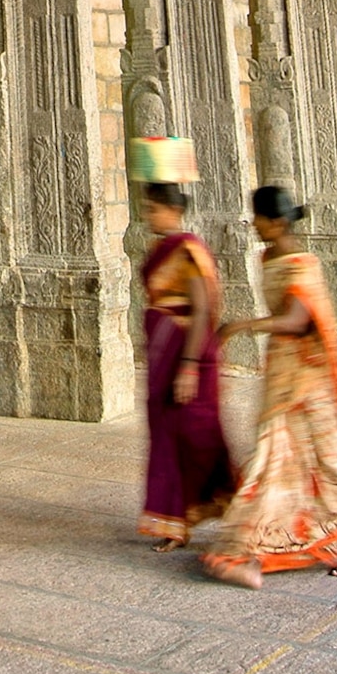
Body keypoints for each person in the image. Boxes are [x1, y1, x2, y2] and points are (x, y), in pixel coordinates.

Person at [199, 186, 337, 585]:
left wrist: (242, 325)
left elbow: (296, 319)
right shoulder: (269, 255)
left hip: (309, 372)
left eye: (257, 217)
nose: (252, 224)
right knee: (277, 455)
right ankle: (263, 539)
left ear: (275, 221)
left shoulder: (301, 263)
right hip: (282, 368)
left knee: (326, 456)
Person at [136, 178, 234, 546]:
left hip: (187, 353)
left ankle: (221, 500)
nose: (149, 216)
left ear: (174, 211)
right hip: (164, 353)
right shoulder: (162, 247)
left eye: (154, 209)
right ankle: (176, 519)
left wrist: (189, 365)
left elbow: (203, 308)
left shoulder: (189, 249)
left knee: (197, 434)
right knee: (166, 435)